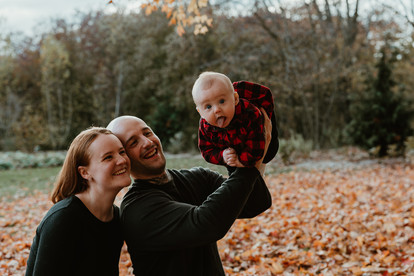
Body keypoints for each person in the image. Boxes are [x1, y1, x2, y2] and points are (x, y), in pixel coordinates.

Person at [106, 114, 272, 276]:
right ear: (124, 158)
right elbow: (206, 224)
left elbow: (255, 203)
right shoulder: (137, 209)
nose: (148, 142)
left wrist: (242, 155)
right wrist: (251, 158)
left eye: (147, 132)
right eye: (133, 142)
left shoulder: (197, 178)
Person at [25, 127, 131, 276]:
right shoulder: (64, 219)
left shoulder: (116, 217)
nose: (121, 160)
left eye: (122, 152)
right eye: (108, 157)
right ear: (85, 172)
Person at [192, 71, 278, 169]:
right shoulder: (206, 126)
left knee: (267, 154)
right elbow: (206, 150)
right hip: (232, 142)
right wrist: (222, 156)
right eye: (208, 106)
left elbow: (256, 147)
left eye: (221, 101)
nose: (216, 110)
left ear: (235, 99)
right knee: (232, 164)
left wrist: (242, 161)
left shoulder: (249, 113)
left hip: (257, 135)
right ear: (200, 112)